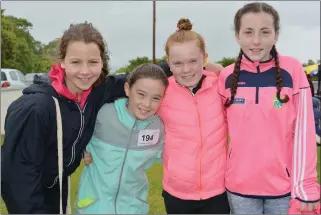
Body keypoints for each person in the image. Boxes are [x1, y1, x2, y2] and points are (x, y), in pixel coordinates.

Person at [1, 22, 127, 213]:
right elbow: (17, 179)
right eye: (76, 62)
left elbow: (137, 80)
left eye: (93, 62)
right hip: (32, 196)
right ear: (62, 62)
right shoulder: (36, 109)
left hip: (58, 186)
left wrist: (179, 65)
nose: (85, 71)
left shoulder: (94, 93)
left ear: (102, 62)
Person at [218, 2, 320, 214]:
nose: (256, 41)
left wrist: (306, 184)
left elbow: (304, 133)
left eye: (264, 32)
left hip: (283, 187)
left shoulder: (292, 70)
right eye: (248, 32)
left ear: (276, 35)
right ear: (237, 36)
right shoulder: (226, 77)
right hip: (239, 187)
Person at [157, 18, 230, 214]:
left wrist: (220, 70)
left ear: (204, 58)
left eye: (193, 61)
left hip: (218, 192)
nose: (186, 69)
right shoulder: (161, 92)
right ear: (168, 63)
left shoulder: (220, 86)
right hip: (176, 193)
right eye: (178, 63)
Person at [75, 63, 168, 214]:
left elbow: (172, 156)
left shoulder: (158, 127)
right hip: (94, 207)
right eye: (141, 94)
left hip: (133, 209)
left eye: (156, 98)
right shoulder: (103, 114)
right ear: (127, 89)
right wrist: (83, 151)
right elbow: (74, 136)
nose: (147, 104)